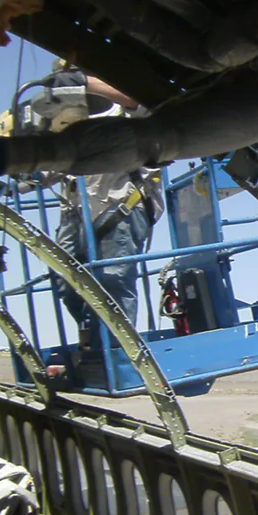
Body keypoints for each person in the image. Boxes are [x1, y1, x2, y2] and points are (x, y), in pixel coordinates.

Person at [37, 60, 163, 338]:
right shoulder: (70, 119)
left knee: (113, 281)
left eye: (71, 71)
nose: (65, 76)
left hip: (120, 205)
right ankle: (95, 341)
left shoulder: (123, 107)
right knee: (64, 281)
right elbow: (47, 169)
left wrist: (83, 83)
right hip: (77, 211)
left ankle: (119, 355)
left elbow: (137, 102)